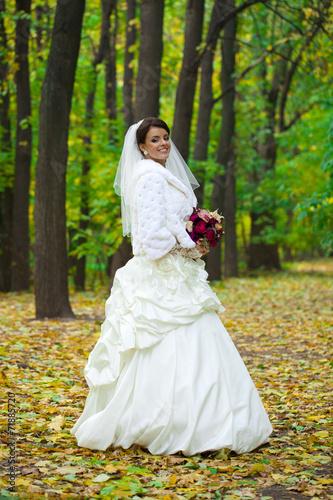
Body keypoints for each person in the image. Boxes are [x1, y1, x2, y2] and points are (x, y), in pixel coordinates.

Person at [71, 117, 272, 456]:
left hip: (177, 272)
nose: (163, 143)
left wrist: (199, 231)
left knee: (195, 341)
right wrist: (189, 246)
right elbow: (150, 239)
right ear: (141, 147)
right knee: (166, 342)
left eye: (165, 137)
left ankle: (207, 420)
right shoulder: (148, 177)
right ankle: (168, 422)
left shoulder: (161, 175)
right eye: (155, 139)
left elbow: (171, 221)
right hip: (162, 277)